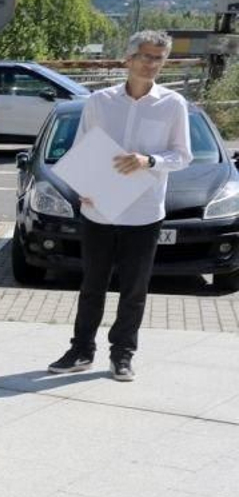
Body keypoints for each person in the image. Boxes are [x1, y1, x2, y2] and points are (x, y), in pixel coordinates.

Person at [48, 29, 192, 382]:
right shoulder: (100, 101)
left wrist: (149, 161)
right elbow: (82, 148)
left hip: (144, 212)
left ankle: (122, 354)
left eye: (158, 58)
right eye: (144, 56)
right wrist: (83, 186)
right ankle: (81, 349)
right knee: (92, 284)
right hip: (98, 208)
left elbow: (182, 156)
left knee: (134, 289)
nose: (151, 64)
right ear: (128, 59)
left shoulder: (173, 104)